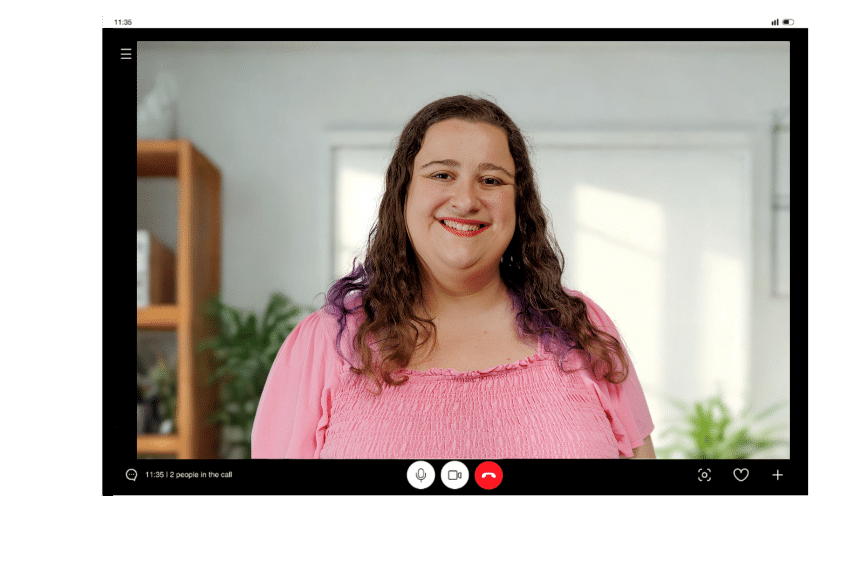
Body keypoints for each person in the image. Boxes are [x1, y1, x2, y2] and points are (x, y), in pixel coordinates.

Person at [251, 95, 656, 459]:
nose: (466, 200)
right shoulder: (325, 344)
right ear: (403, 193)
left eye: (492, 180)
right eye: (442, 174)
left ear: (519, 203)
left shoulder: (584, 330)